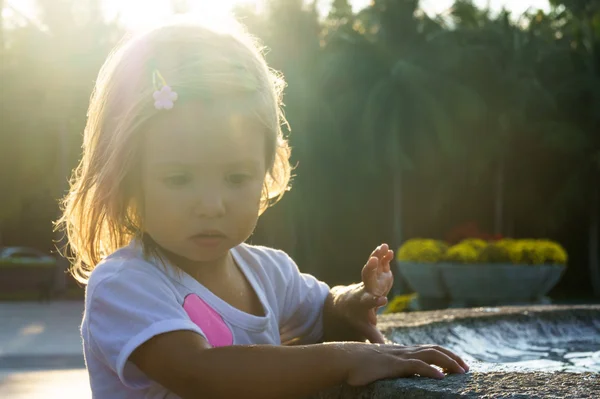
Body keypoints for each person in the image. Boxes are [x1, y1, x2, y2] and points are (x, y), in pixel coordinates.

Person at [56, 16, 469, 399]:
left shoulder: (269, 273)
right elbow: (202, 373)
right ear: (129, 179)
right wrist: (345, 357)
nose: (212, 205)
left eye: (236, 178)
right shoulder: (126, 284)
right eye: (179, 179)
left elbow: (324, 310)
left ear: (267, 173)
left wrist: (356, 300)